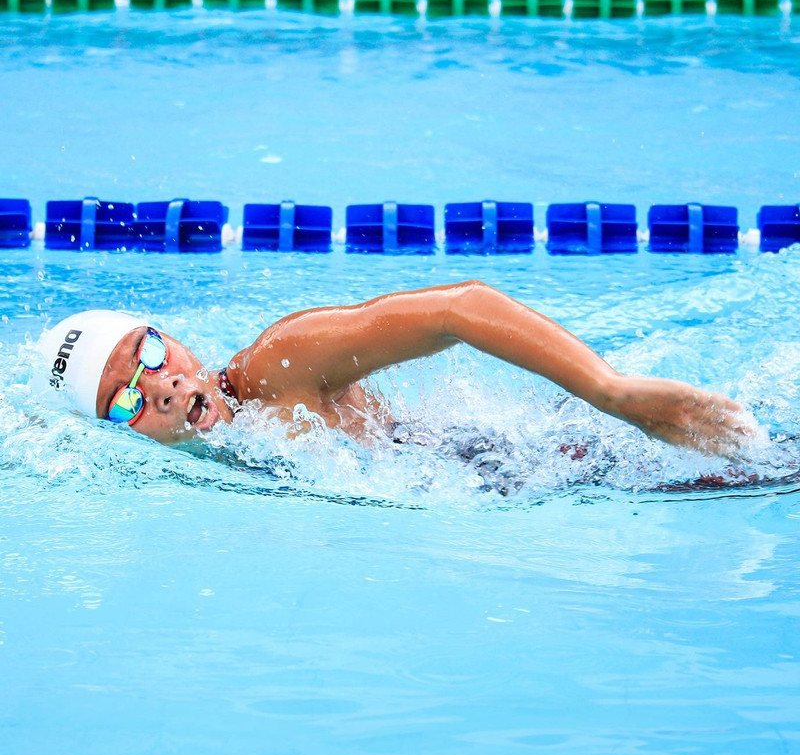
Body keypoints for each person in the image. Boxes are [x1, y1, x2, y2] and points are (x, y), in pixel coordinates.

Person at [37, 280, 758, 458]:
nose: (158, 387)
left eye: (152, 356)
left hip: (533, 462)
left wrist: (616, 395)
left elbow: (461, 308)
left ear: (180, 346)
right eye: (124, 400)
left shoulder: (277, 365)